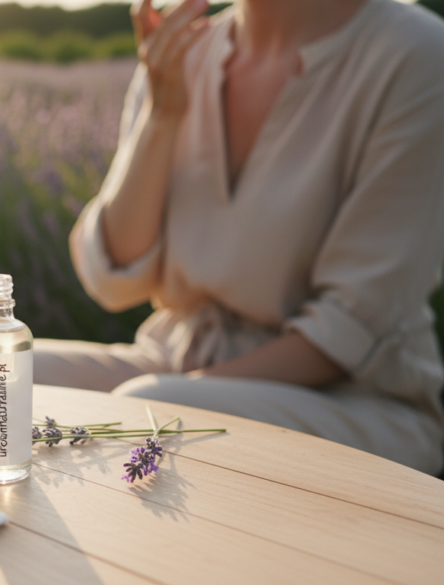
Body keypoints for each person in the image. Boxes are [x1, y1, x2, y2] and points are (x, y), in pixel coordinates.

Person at [34, 0, 444, 475]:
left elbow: (346, 333)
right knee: (7, 376)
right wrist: (162, 115)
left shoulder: (417, 56)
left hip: (355, 398)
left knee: (151, 410)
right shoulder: (184, 50)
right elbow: (114, 280)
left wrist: (167, 391)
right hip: (179, 360)